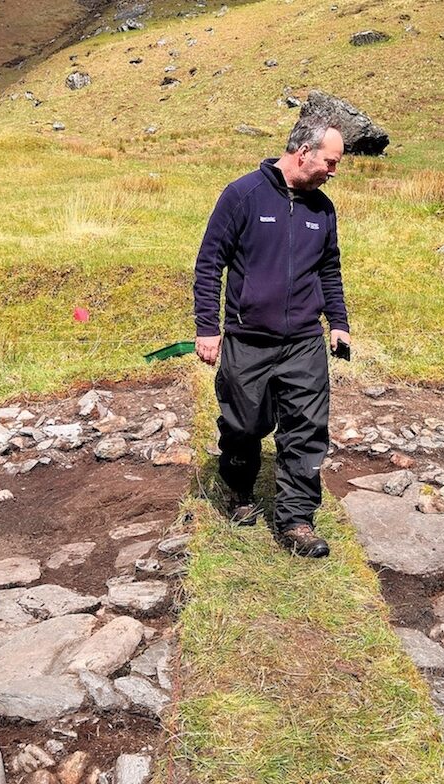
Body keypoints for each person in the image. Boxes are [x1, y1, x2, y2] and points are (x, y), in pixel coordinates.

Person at [192, 114, 351, 558]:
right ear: (304, 152)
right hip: (248, 339)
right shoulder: (243, 195)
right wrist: (207, 328)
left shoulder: (323, 209)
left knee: (306, 429)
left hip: (304, 340)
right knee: (244, 427)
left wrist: (338, 323)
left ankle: (296, 521)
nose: (333, 172)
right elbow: (209, 264)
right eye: (330, 162)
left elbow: (329, 270)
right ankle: (240, 491)